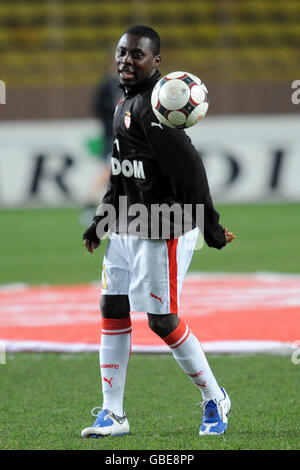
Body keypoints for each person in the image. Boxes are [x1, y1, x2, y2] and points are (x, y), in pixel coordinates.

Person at [81, 25, 235, 439]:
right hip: (126, 226)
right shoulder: (123, 104)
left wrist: (212, 226)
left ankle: (215, 397)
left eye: (137, 55)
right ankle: (112, 414)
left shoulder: (156, 110)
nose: (126, 61)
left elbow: (192, 173)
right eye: (121, 53)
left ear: (156, 62)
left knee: (162, 321)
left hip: (163, 227)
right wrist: (101, 220)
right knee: (112, 309)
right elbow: (120, 172)